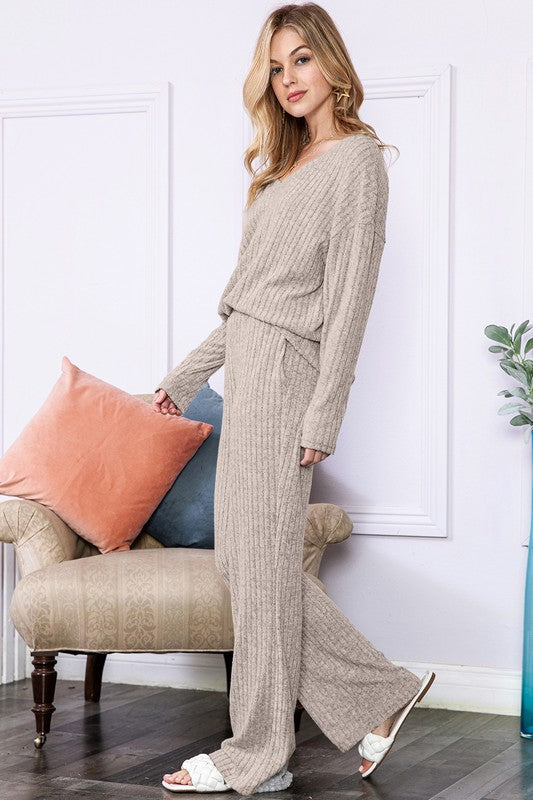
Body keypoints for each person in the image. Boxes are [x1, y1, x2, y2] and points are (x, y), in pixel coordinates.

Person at [152, 2, 435, 794]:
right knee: (249, 568)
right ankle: (379, 695)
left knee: (258, 570)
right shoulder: (278, 171)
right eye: (276, 67)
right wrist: (181, 379)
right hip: (249, 372)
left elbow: (349, 301)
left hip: (288, 380)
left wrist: (324, 411)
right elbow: (246, 306)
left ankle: (256, 752)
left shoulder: (357, 162)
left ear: (332, 63)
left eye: (301, 59)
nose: (288, 79)